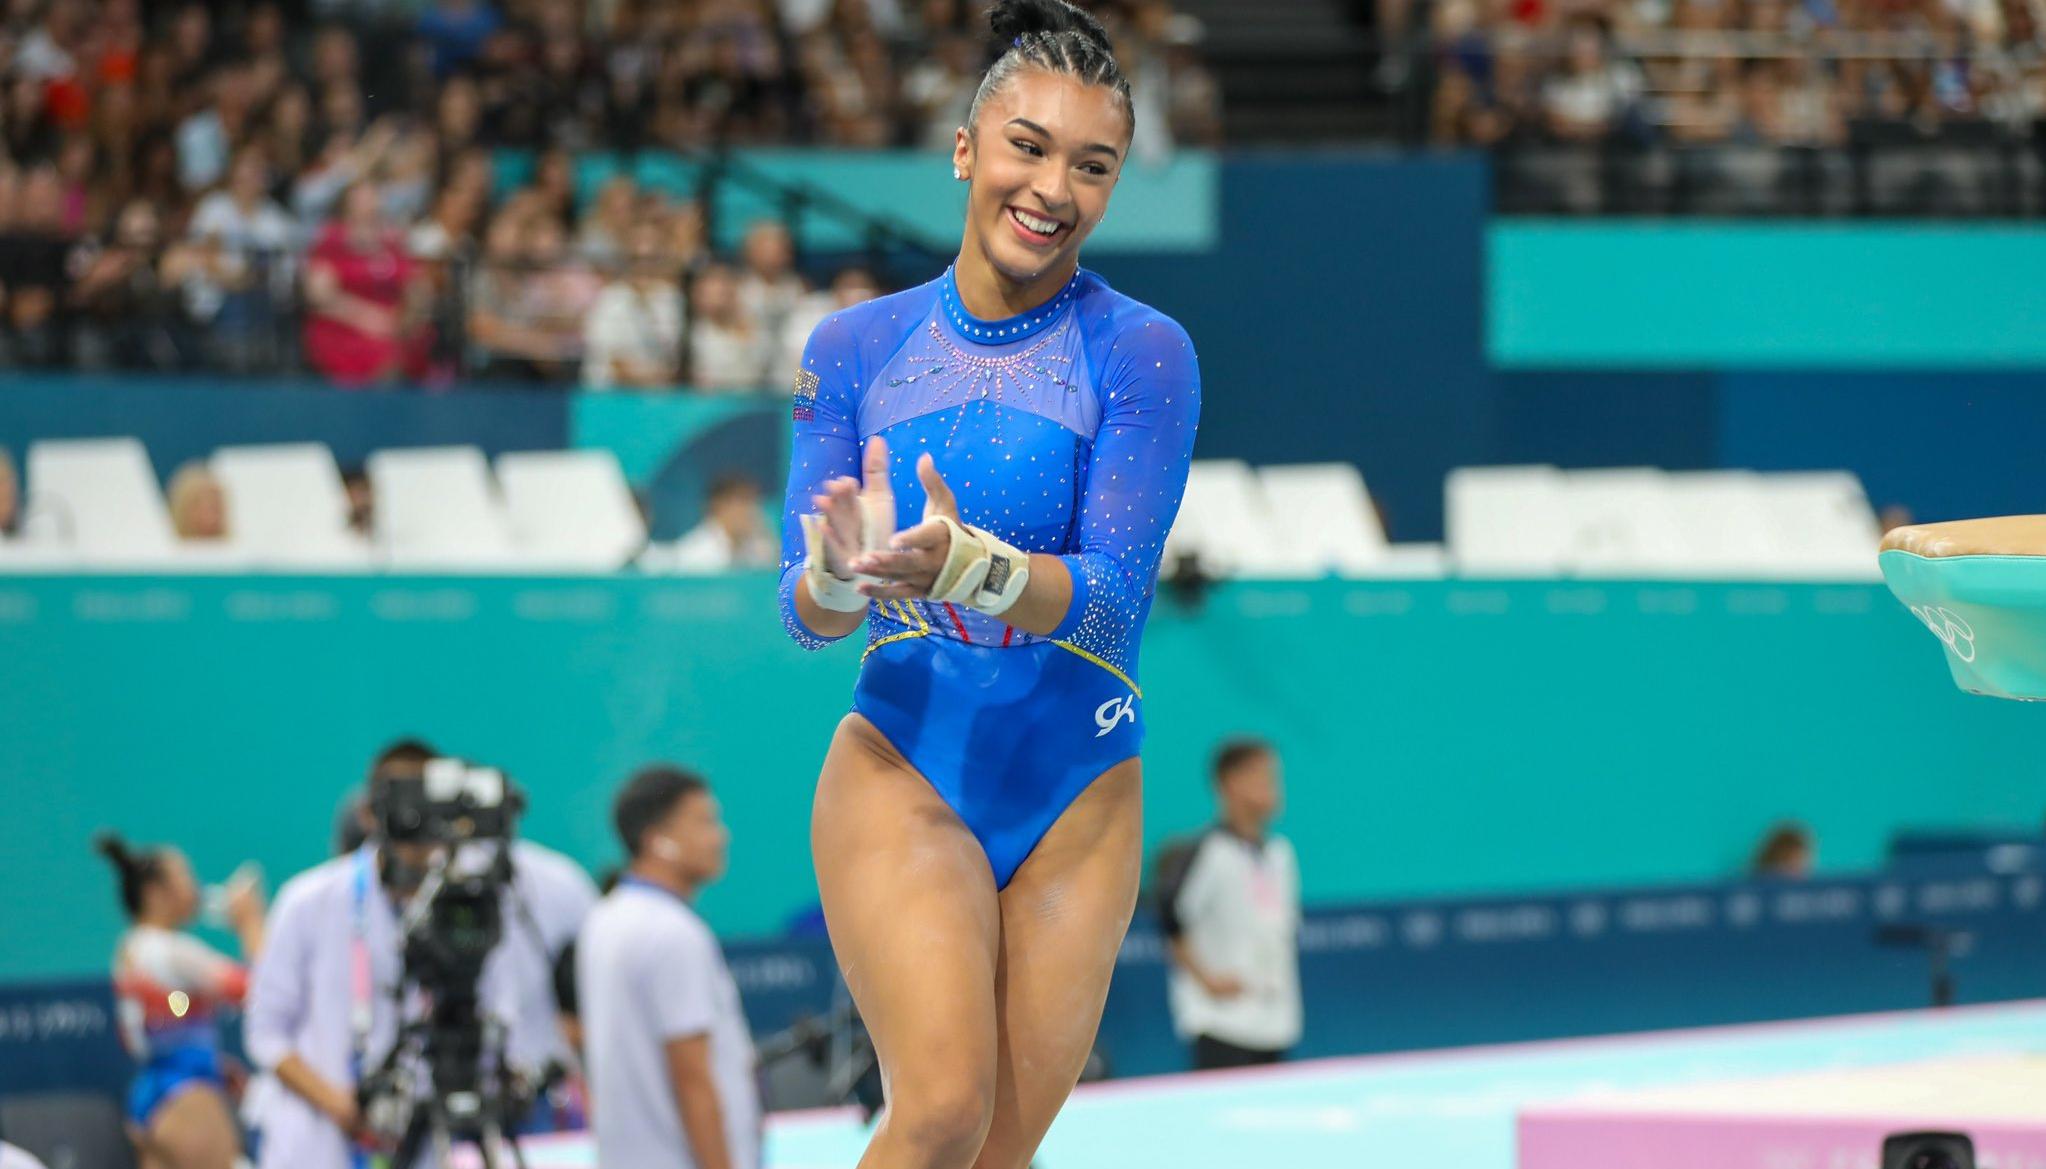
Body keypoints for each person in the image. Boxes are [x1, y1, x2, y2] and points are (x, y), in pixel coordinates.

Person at [775, 1, 1201, 1163]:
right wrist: (837, 571)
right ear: (966, 149)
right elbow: (804, 617)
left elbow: (1113, 602)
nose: (1053, 186)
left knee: (995, 1154)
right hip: (908, 760)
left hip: (1080, 784)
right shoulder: (853, 346)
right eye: (1027, 145)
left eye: (1092, 164)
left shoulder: (1142, 349)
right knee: (940, 1114)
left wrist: (969, 564)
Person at [244, 742, 521, 1169]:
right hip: (322, 1143)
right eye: (407, 806)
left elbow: (498, 1005)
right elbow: (265, 1032)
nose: (422, 826)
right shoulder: (308, 901)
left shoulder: (470, 904)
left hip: (431, 1138)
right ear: (371, 813)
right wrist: (339, 1104)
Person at [577, 766, 759, 1169]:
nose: (720, 836)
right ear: (657, 840)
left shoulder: (603, 919)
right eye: (704, 821)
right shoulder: (673, 934)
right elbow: (692, 1078)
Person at [95, 831, 267, 1169]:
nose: (196, 888)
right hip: (188, 1097)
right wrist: (249, 924)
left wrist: (208, 1059)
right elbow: (257, 990)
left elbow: (161, 1020)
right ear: (155, 893)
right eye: (186, 876)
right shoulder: (169, 951)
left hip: (151, 1097)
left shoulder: (130, 947)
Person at [1157, 738, 1301, 1070]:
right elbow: (1170, 916)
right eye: (1262, 777)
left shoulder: (1280, 854)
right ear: (1231, 783)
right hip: (1221, 1025)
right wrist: (1206, 979)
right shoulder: (1207, 852)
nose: (1273, 788)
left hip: (1276, 1024)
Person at [651, 474, 776, 573]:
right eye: (743, 503)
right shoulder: (697, 552)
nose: (751, 511)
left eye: (753, 503)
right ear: (720, 505)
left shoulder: (754, 549)